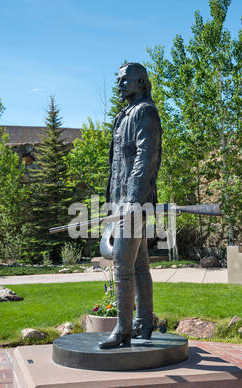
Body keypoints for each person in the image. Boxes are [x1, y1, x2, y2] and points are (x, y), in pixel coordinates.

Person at [99, 62, 162, 349]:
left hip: (133, 203)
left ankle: (124, 330)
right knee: (139, 265)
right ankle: (144, 324)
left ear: (140, 82)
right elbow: (116, 167)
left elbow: (144, 159)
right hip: (121, 202)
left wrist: (132, 200)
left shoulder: (145, 112)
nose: (120, 84)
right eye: (119, 80)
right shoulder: (124, 115)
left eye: (126, 80)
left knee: (122, 266)